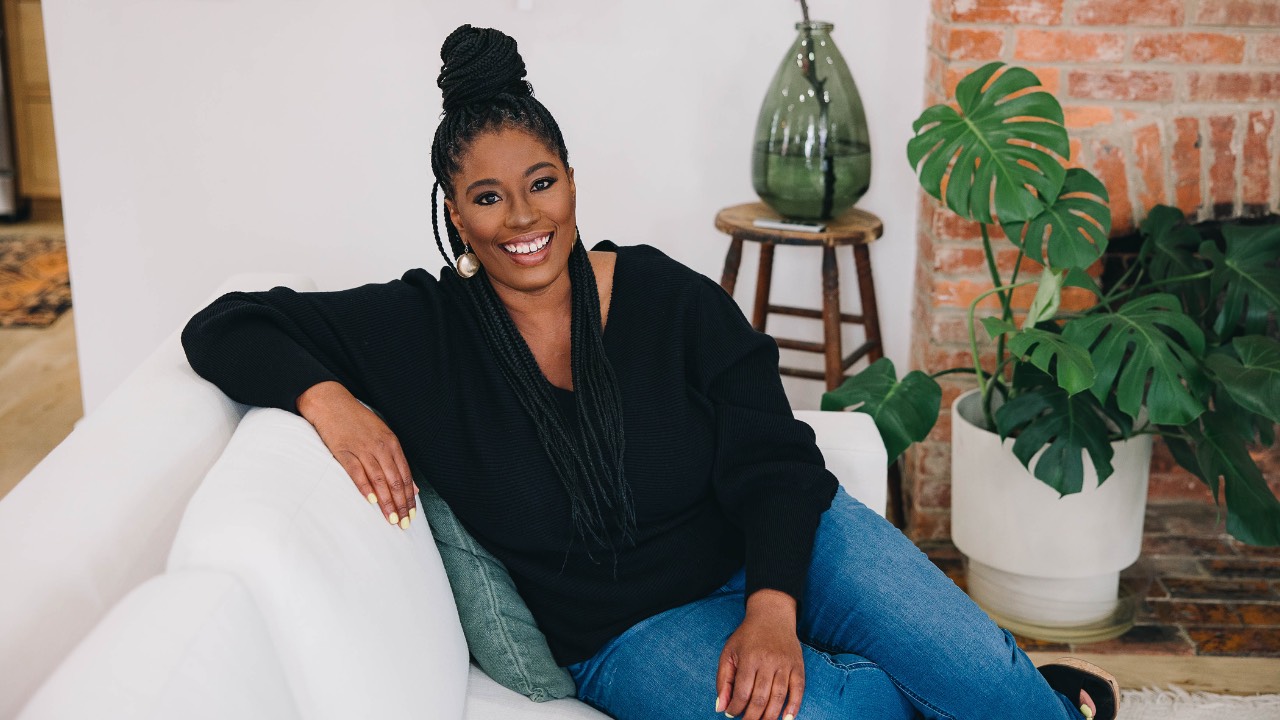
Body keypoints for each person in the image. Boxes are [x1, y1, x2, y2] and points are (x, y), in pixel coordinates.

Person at [182, 24, 1118, 720]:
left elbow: (773, 457)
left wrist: (773, 608)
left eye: (541, 182)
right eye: (488, 197)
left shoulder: (665, 297)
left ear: (572, 179)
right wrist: (327, 398)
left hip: (780, 544)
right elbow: (222, 325)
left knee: (986, 676)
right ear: (456, 215)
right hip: (629, 634)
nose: (523, 218)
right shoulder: (419, 330)